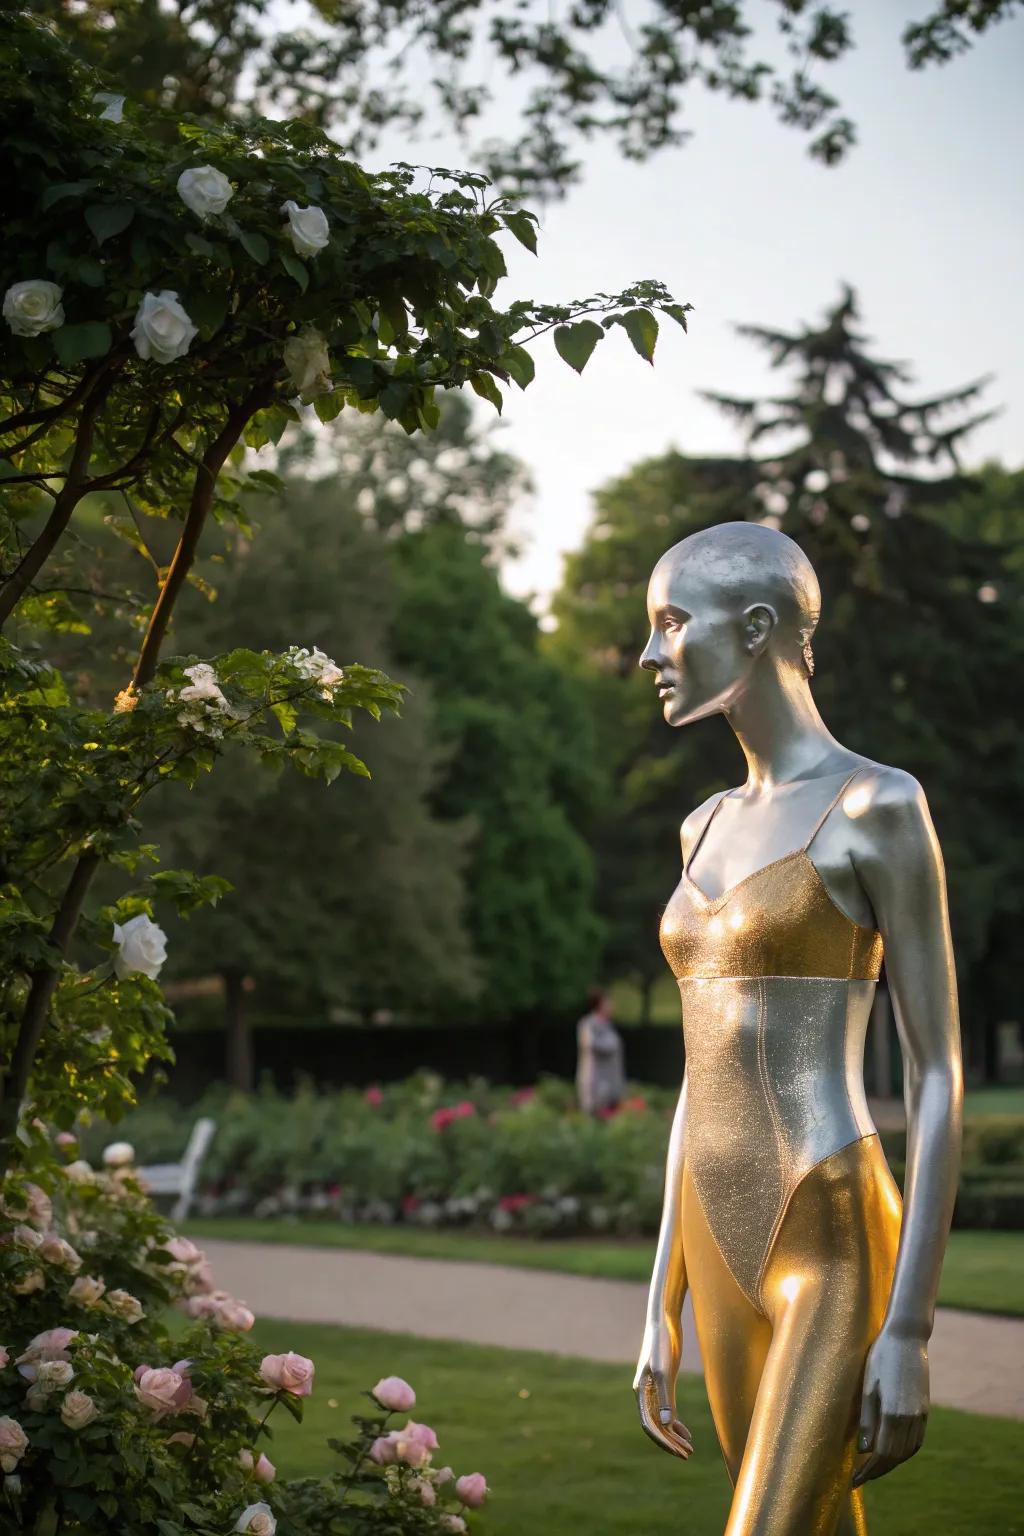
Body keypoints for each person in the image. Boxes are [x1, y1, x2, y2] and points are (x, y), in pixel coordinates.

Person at [632, 522, 962, 1536]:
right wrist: (658, 1301)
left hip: (829, 1231)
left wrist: (907, 1328)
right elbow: (698, 1075)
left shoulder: (878, 805)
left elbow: (939, 1072)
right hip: (710, 1230)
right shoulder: (703, 825)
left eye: (671, 623)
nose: (648, 656)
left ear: (758, 625)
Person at [575, 987, 625, 1115]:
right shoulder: (588, 1024)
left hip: (611, 1084)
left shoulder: (608, 1025)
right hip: (595, 1085)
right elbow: (591, 1044)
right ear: (600, 1004)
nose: (611, 1005)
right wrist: (611, 1044)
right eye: (608, 1002)